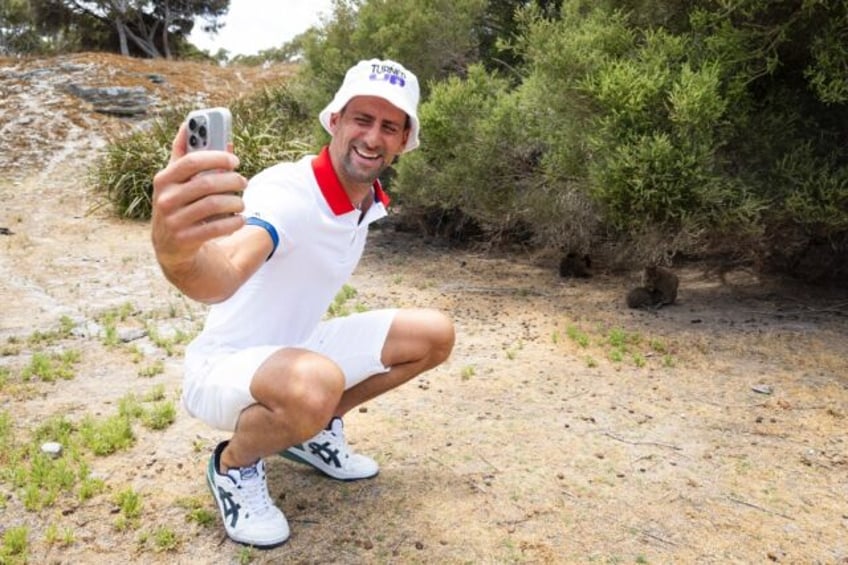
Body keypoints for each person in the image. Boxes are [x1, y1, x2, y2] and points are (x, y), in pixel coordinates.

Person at [150, 59, 455, 549]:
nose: (373, 137)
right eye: (362, 119)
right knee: (316, 382)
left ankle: (308, 430)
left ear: (403, 142)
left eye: (389, 126)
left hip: (298, 351)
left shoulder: (367, 200)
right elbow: (223, 274)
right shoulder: (290, 192)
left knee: (433, 334)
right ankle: (234, 466)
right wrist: (174, 248)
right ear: (334, 121)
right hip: (225, 369)